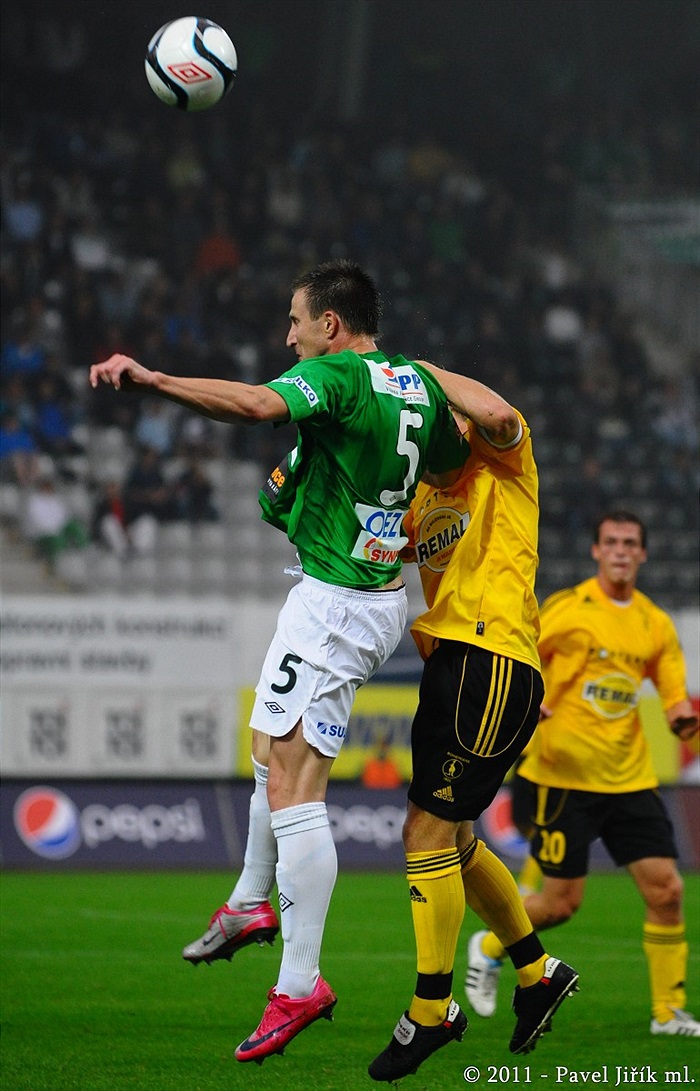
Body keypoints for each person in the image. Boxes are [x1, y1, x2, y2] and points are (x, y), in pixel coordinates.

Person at [89, 259, 467, 1065]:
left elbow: (257, 404)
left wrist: (153, 379)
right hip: (360, 596)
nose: (288, 336)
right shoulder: (418, 383)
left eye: (295, 321)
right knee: (268, 749)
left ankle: (299, 983)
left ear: (331, 324)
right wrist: (377, 505)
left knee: (296, 787)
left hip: (336, 606)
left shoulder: (337, 373)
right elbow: (446, 465)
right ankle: (249, 899)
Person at [367, 377, 579, 1082]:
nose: (443, 433)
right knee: (453, 842)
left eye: (447, 422)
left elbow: (498, 413)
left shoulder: (503, 465)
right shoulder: (426, 499)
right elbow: (375, 549)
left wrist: (411, 373)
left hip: (491, 659)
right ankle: (537, 973)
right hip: (453, 666)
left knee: (424, 833)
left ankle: (432, 1009)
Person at [466, 510, 699, 1039]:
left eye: (630, 543)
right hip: (563, 779)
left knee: (667, 892)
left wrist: (681, 717)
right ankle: (489, 945)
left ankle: (668, 1012)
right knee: (560, 906)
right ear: (596, 551)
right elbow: (523, 655)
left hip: (630, 780)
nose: (620, 551)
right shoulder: (569, 609)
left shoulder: (654, 623)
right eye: (611, 542)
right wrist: (531, 697)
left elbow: (672, 693)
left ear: (643, 554)